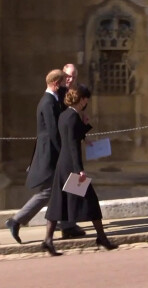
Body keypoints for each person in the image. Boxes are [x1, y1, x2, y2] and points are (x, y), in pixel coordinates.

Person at [42, 85, 118, 256]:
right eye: (86, 99)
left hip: (64, 164)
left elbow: (73, 134)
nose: (87, 103)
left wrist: (84, 126)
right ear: (82, 99)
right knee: (90, 200)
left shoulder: (66, 115)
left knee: (57, 203)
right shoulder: (72, 117)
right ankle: (102, 238)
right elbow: (73, 145)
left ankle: (48, 240)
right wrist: (80, 170)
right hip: (71, 166)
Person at [5, 69, 66, 244]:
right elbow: (54, 132)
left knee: (62, 189)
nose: (65, 87)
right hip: (50, 155)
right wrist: (64, 152)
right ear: (56, 84)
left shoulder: (53, 100)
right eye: (62, 84)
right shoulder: (47, 102)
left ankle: (67, 224)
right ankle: (16, 220)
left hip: (52, 153)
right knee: (49, 190)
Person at [56, 63, 87, 239]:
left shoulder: (74, 94)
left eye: (74, 76)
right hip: (62, 149)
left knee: (71, 188)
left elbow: (76, 122)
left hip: (69, 149)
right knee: (61, 190)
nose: (71, 79)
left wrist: (84, 123)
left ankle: (68, 224)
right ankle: (66, 226)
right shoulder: (57, 95)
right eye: (68, 76)